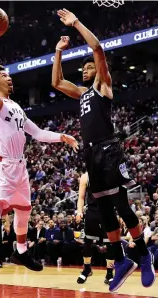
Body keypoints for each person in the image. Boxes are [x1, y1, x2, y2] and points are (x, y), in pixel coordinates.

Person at [52, 8, 155, 292]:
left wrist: (76, 24)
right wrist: (58, 52)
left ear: (98, 71)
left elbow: (97, 48)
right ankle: (121, 260)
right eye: (82, 68)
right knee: (106, 209)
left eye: (88, 68)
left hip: (108, 150)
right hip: (90, 154)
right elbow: (57, 83)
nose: (84, 70)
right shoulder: (83, 94)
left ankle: (144, 255)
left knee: (121, 204)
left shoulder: (103, 86)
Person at [0, 22, 78, 293]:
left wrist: (62, 137)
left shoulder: (16, 107)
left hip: (20, 167)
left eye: (10, 76)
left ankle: (21, 251)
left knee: (25, 210)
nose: (9, 78)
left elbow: (38, 132)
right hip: (1, 166)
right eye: (5, 75)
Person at [76, 172, 114, 285]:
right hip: (92, 211)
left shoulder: (110, 173)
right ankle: (86, 269)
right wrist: (79, 211)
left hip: (107, 210)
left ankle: (109, 273)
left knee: (110, 243)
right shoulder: (86, 176)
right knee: (87, 242)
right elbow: (81, 197)